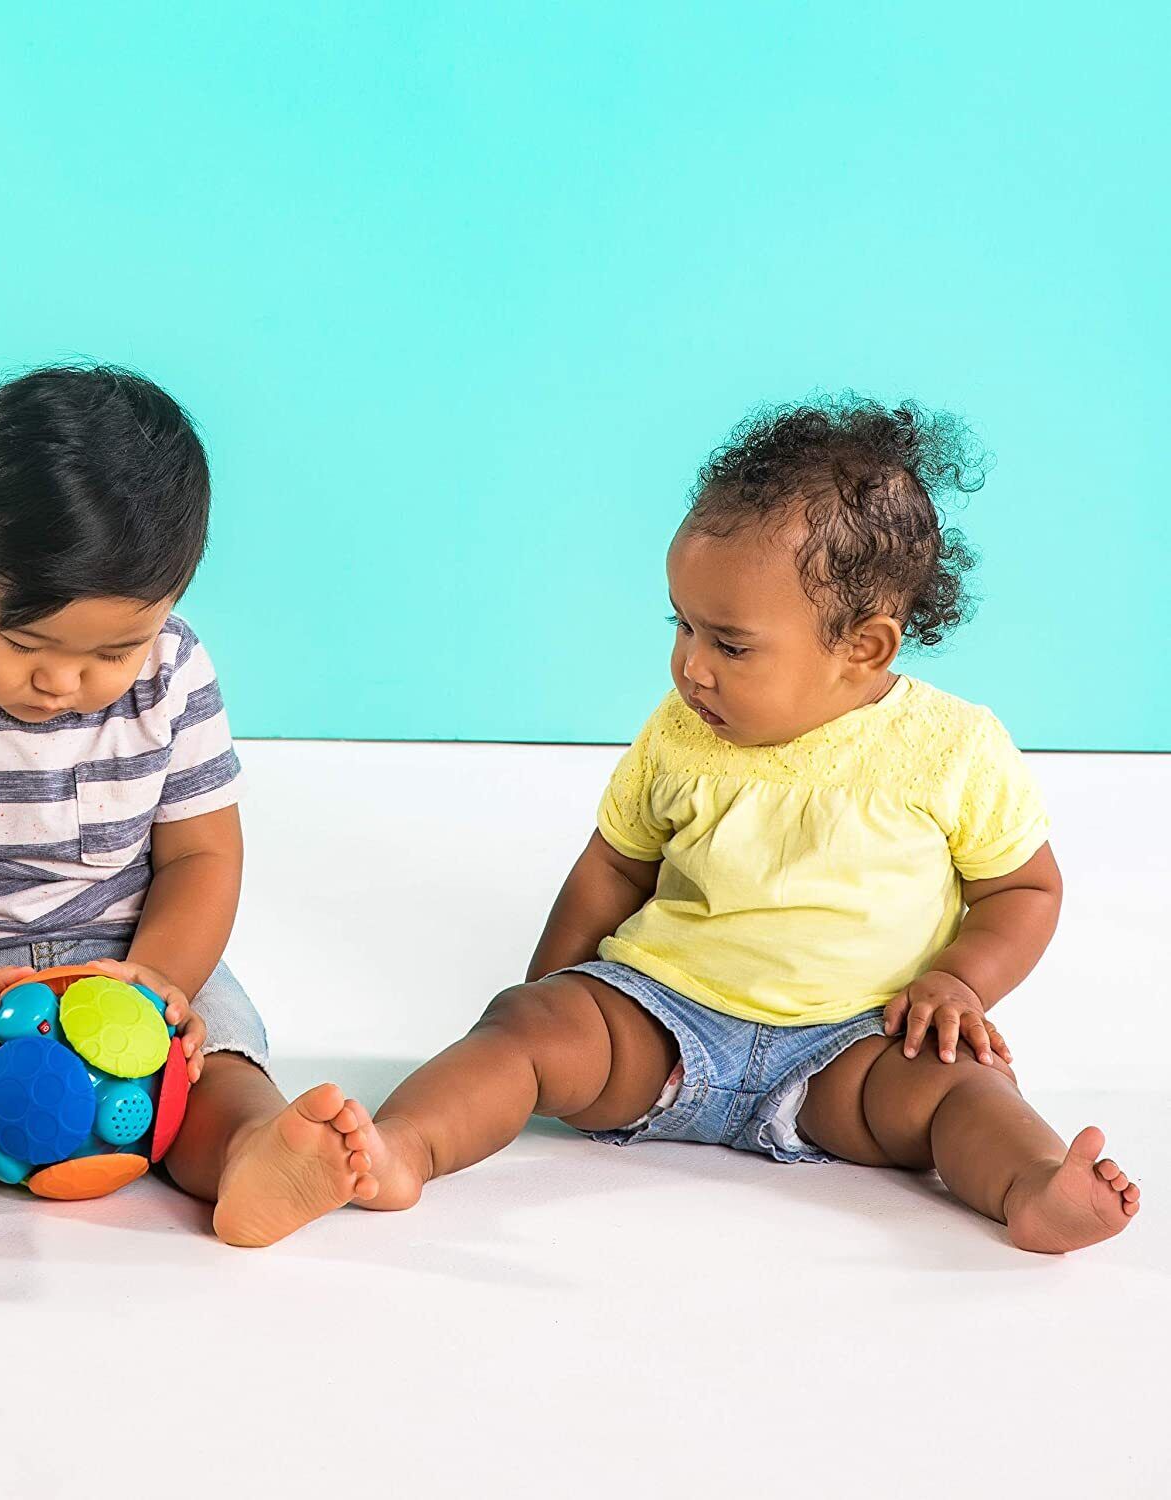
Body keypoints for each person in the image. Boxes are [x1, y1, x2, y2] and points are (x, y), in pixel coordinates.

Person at [345, 396, 1139, 1253]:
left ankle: (1034, 1188)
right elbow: (614, 868)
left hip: (855, 1050)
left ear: (864, 647)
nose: (691, 667)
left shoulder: (950, 748)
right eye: (681, 625)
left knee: (964, 1086)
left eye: (729, 644)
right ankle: (399, 1149)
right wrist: (550, 995)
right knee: (522, 1028)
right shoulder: (680, 733)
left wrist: (961, 981)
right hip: (661, 1023)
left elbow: (1024, 888)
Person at [0, 365, 375, 1269]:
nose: (61, 682)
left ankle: (251, 1154)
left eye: (113, 651)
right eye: (23, 642)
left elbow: (202, 855)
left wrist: (162, 980)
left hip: (135, 957)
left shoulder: (175, 672)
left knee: (214, 1069)